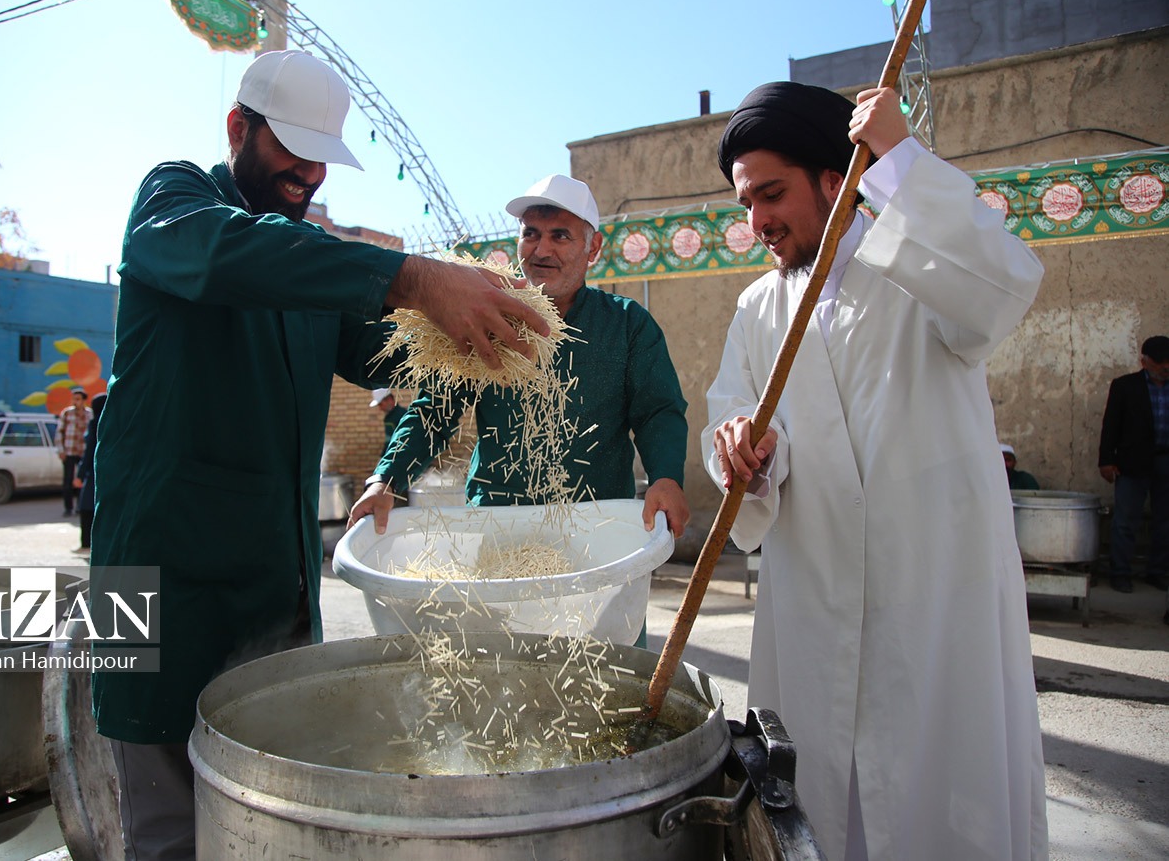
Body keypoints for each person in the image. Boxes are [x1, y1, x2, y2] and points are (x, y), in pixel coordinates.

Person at [89, 50, 549, 860]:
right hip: (153, 577)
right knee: (168, 834)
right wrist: (412, 275)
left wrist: (466, 335)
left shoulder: (308, 261)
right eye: (290, 151)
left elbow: (383, 349)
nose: (307, 175)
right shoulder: (177, 201)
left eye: (320, 160)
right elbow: (238, 253)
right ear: (238, 129)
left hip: (271, 584)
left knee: (270, 820)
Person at [704, 82, 1047, 860]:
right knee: (821, 807)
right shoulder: (758, 311)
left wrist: (902, 156)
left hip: (930, 598)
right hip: (811, 599)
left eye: (771, 193)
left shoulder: (921, 265)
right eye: (746, 201)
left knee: (938, 805)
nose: (756, 220)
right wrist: (742, 456)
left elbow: (1002, 289)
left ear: (837, 178)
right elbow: (729, 424)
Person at [349, 174, 690, 647]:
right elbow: (436, 410)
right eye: (531, 233)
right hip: (500, 537)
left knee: (602, 669)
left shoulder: (627, 325)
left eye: (560, 235)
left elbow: (658, 411)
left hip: (596, 537)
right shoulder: (485, 318)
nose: (541, 249)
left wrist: (667, 477)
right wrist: (386, 480)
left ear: (593, 249)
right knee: (502, 671)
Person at [1098, 335, 1169, 593]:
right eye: (1160, 362)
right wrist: (1106, 460)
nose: (1165, 367)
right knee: (1125, 521)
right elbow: (1111, 425)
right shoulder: (1125, 386)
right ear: (1144, 361)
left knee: (1165, 522)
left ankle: (1158, 572)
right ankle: (1120, 573)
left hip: (1166, 461)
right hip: (1132, 462)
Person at [73, 392, 106, 555]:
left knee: (86, 508)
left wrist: (79, 474)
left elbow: (89, 452)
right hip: (107, 473)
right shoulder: (114, 422)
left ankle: (86, 543)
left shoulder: (95, 423)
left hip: (94, 473)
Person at [55, 387, 89, 516]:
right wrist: (60, 450)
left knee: (81, 480)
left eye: (78, 399)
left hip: (82, 452)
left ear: (83, 400)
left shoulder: (88, 414)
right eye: (74, 399)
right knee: (68, 481)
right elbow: (60, 432)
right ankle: (68, 508)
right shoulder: (67, 413)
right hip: (69, 451)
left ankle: (80, 506)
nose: (76, 402)